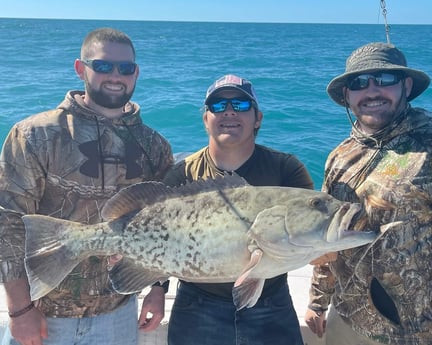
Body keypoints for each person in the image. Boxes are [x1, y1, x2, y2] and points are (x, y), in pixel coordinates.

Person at [0, 28, 173, 345]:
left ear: (136, 74)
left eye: (126, 68)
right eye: (103, 66)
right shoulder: (34, 135)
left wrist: (158, 288)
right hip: (43, 313)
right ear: (81, 69)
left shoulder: (155, 146)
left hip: (118, 313)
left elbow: (165, 227)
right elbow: (8, 222)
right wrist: (19, 309)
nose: (115, 76)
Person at [304, 42, 432, 345]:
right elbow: (328, 236)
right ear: (348, 95)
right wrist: (317, 300)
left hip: (422, 331)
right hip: (347, 319)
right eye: (359, 83)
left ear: (406, 85)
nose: (372, 91)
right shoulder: (340, 156)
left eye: (384, 79)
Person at [162, 74, 314, 345]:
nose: (229, 111)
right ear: (205, 119)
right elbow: (156, 234)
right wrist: (155, 290)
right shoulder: (182, 174)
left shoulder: (286, 169)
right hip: (196, 306)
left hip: (271, 304)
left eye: (241, 105)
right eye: (218, 106)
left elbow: (311, 231)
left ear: (258, 118)